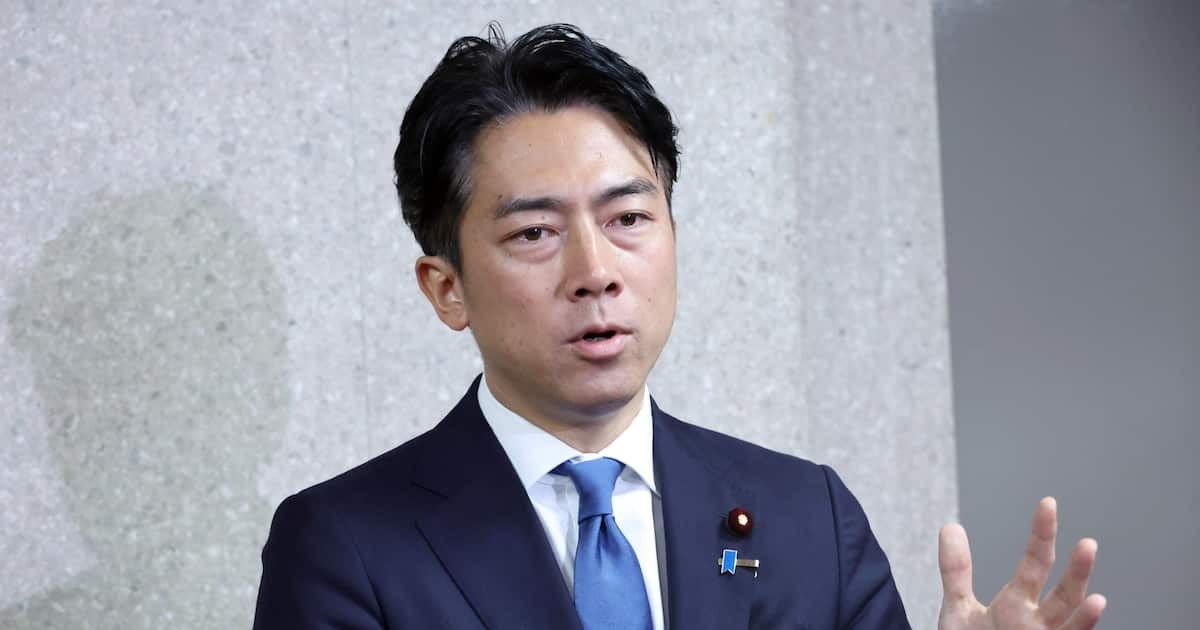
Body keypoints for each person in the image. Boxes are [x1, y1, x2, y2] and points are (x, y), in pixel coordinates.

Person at [253, 23, 1106, 629]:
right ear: (447, 290)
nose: (595, 271)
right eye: (535, 233)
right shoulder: (345, 547)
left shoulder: (808, 518)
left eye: (628, 218)